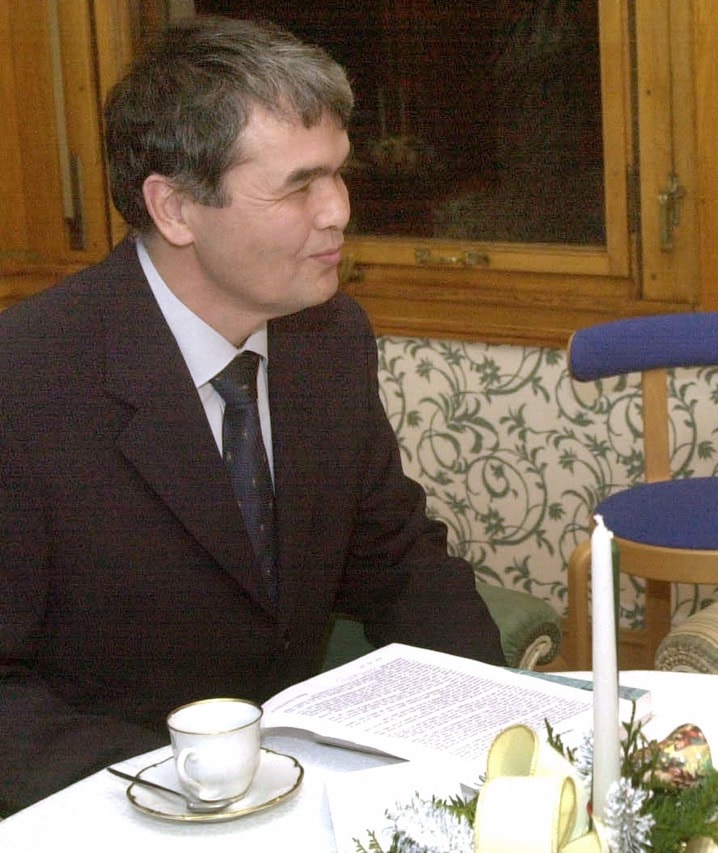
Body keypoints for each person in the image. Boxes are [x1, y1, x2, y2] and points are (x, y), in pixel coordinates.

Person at [0, 16, 503, 814]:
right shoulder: (26, 381)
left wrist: (502, 725)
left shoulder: (331, 337)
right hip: (116, 808)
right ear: (175, 209)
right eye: (300, 185)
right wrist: (182, 789)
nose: (338, 210)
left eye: (339, 173)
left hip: (303, 797)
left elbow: (399, 560)